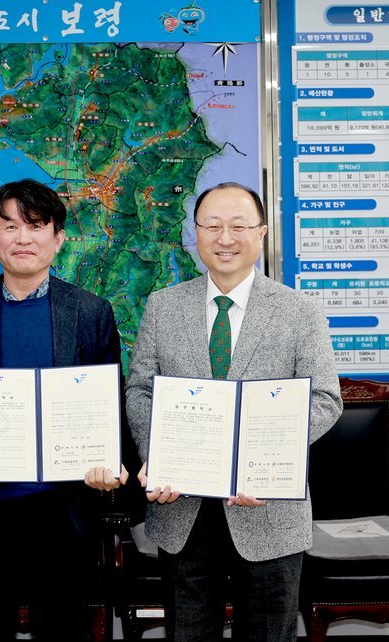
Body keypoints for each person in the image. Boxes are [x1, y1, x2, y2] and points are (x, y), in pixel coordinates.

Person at [126, 182, 342, 641]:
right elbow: (141, 390)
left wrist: (260, 459)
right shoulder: (163, 307)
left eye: (239, 226)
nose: (225, 238)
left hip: (268, 510)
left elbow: (325, 399)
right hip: (182, 509)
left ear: (261, 233)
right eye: (213, 226)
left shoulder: (300, 311)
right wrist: (156, 456)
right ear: (196, 232)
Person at [0, 178, 130, 640]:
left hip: (65, 513)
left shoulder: (91, 312)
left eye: (36, 226)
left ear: (58, 238)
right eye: (10, 226)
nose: (23, 238)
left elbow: (109, 401)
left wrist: (108, 461)